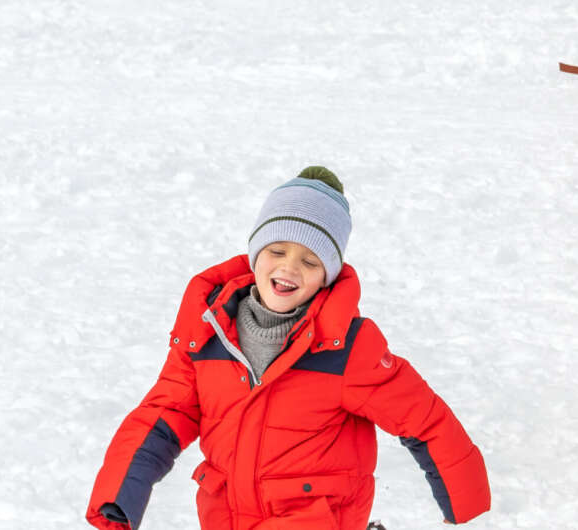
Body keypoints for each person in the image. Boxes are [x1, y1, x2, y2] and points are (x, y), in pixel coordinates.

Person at [86, 167, 490, 529]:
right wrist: (118, 498)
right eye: (277, 251)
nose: (289, 268)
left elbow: (424, 419)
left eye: (310, 261)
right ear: (255, 255)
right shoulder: (208, 331)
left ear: (327, 278)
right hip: (225, 516)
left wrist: (463, 501)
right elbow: (164, 414)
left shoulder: (348, 347)